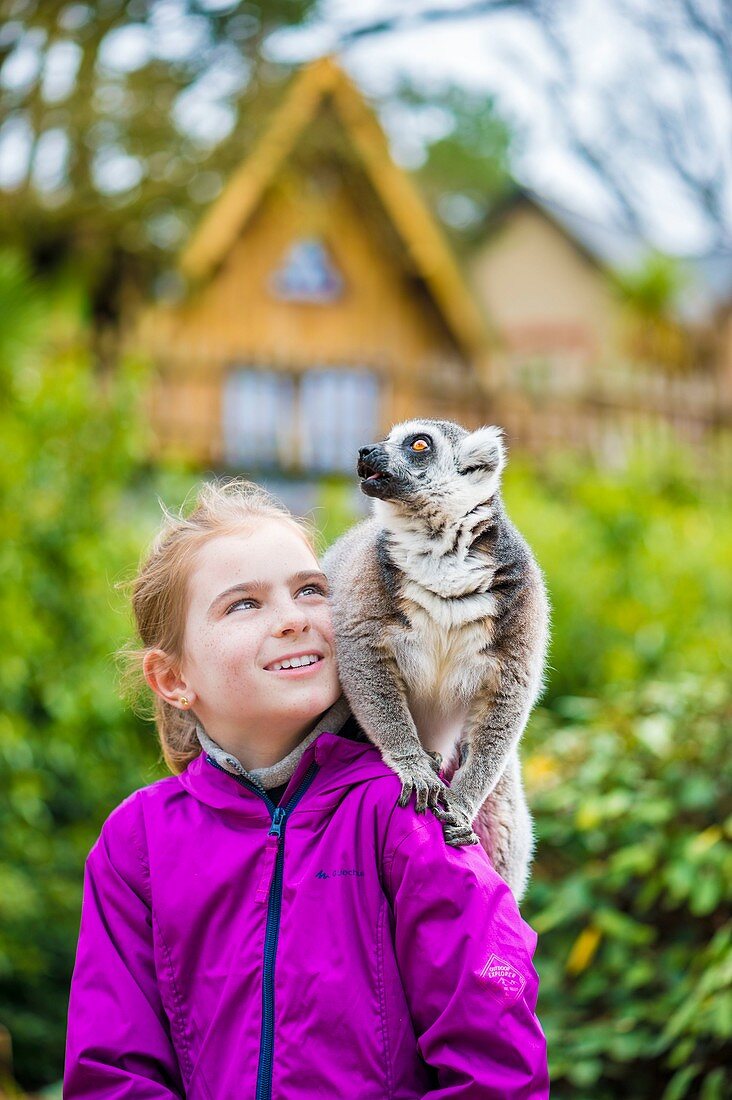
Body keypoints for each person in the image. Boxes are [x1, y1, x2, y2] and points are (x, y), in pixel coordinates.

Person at [63, 477, 550, 1099]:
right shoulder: (137, 843)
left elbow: (495, 1058)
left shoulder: (407, 808)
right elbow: (112, 1073)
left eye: (310, 590)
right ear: (172, 677)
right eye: (244, 604)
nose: (293, 620)